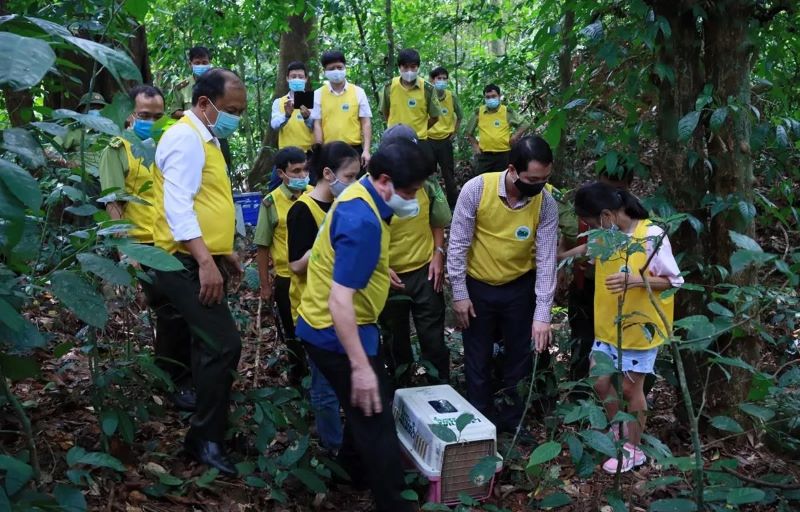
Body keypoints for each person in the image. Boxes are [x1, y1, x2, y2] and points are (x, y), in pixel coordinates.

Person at [296, 138, 429, 512]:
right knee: (375, 416)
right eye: (411, 191)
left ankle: (351, 469)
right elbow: (340, 301)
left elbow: (339, 249)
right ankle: (395, 503)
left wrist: (376, 266)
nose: (415, 199)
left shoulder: (360, 193)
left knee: (363, 406)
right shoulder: (363, 221)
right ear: (384, 180)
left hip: (339, 322)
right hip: (333, 329)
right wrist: (360, 367)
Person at [151, 68, 247, 476]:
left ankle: (210, 429)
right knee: (224, 344)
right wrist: (205, 261)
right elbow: (178, 207)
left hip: (200, 257)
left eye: (240, 112)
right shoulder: (185, 138)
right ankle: (204, 438)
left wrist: (223, 253)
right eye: (231, 110)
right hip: (183, 262)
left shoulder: (207, 139)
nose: (235, 118)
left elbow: (208, 199)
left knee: (210, 344)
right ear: (204, 103)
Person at [446, 136, 557, 433]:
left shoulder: (545, 202)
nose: (540, 185)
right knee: (477, 357)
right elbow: (457, 244)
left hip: (519, 286)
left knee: (518, 359)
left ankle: (511, 424)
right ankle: (478, 427)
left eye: (546, 178)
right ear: (512, 170)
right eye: (533, 179)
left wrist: (542, 313)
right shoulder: (476, 190)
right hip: (479, 285)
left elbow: (546, 259)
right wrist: (459, 294)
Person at [572, 181, 682, 473]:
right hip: (608, 327)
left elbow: (674, 280)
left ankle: (633, 448)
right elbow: (589, 247)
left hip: (639, 329)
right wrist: (559, 257)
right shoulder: (608, 235)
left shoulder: (651, 235)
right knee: (600, 381)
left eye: (593, 222)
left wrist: (634, 280)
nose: (592, 228)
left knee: (633, 390)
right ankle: (618, 429)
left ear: (607, 215)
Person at [98, 85, 197, 410]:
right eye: (144, 116)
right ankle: (175, 381)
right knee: (170, 312)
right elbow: (113, 201)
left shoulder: (166, 142)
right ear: (129, 115)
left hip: (174, 240)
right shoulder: (118, 148)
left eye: (157, 116)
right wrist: (125, 251)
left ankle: (182, 375)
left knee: (183, 312)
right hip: (143, 245)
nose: (151, 122)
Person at [287, 142, 361, 453]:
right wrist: (324, 244)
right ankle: (332, 446)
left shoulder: (347, 204)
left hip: (347, 308)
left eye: (359, 176)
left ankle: (352, 442)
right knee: (325, 387)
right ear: (328, 174)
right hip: (315, 311)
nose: (355, 183)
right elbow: (295, 265)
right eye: (350, 175)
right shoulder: (302, 210)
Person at [377, 125, 451, 386]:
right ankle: (402, 391)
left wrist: (438, 254)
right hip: (388, 276)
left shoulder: (426, 184)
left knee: (433, 339)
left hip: (424, 270)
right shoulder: (376, 188)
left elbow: (438, 221)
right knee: (395, 341)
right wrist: (381, 268)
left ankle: (440, 389)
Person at [558, 167, 636, 386]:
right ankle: (582, 392)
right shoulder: (590, 204)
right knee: (583, 339)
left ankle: (620, 393)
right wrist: (562, 264)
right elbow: (572, 235)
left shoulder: (632, 215)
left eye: (618, 189)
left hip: (622, 290)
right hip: (587, 285)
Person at [255, 146, 312, 385]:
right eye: (295, 171)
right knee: (293, 334)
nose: (301, 176)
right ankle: (300, 380)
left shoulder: (314, 194)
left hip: (317, 276)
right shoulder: (271, 204)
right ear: (281, 173)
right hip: (287, 279)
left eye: (305, 170)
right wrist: (265, 286)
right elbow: (262, 247)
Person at [169, 47, 233, 169]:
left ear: (210, 62)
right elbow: (174, 112)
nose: (201, 65)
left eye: (204, 62)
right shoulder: (182, 87)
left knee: (223, 168)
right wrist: (193, 115)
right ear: (190, 64)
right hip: (192, 136)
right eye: (197, 63)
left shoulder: (220, 85)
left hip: (216, 134)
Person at [311, 50, 372, 168]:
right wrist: (319, 149)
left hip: (353, 149)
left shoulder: (358, 92)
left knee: (355, 185)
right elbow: (317, 124)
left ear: (345, 68)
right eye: (331, 68)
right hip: (329, 151)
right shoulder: (318, 94)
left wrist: (366, 150)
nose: (336, 71)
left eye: (339, 67)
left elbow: (366, 123)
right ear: (324, 71)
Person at [380, 49, 441, 161]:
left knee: (417, 176)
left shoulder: (427, 89)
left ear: (418, 67)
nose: (409, 71)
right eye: (405, 67)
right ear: (399, 67)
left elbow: (435, 117)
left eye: (413, 67)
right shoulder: (389, 87)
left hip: (418, 141)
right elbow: (385, 112)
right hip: (394, 141)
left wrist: (421, 129)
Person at [465, 84, 528, 175]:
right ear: (485, 98)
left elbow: (524, 124)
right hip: (484, 156)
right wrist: (476, 147)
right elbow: (468, 132)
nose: (491, 99)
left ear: (499, 96)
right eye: (488, 97)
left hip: (503, 155)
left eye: (493, 96)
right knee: (482, 182)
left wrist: (514, 137)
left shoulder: (506, 111)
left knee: (501, 183)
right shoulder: (479, 112)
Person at [426, 66, 463, 209]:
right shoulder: (427, 95)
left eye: (444, 79)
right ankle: (431, 205)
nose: (441, 81)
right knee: (428, 174)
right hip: (429, 139)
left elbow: (459, 116)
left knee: (449, 175)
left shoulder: (451, 96)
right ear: (432, 80)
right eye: (438, 78)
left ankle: (453, 206)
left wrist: (454, 133)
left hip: (445, 141)